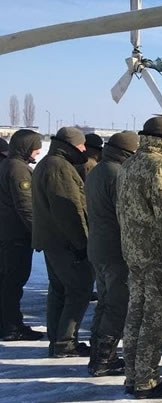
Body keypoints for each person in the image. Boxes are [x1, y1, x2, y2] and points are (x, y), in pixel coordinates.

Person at [117, 116, 162, 398]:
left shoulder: (128, 164)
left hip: (133, 252)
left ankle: (132, 376)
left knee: (135, 315)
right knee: (155, 320)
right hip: (158, 255)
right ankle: (146, 380)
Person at [32, 127, 94, 357]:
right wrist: (81, 243)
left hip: (52, 241)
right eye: (81, 146)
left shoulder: (48, 164)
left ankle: (57, 340)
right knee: (79, 290)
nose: (84, 150)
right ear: (70, 146)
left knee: (59, 291)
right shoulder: (59, 168)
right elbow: (68, 210)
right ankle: (65, 342)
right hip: (65, 243)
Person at [85, 131, 138, 376]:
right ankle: (104, 360)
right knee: (118, 304)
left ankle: (98, 353)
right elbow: (125, 215)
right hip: (115, 248)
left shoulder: (98, 170)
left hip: (98, 245)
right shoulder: (117, 174)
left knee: (105, 303)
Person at [0, 129, 44, 341]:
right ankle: (11, 326)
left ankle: (7, 323)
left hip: (8, 233)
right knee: (13, 282)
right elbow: (25, 205)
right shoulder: (18, 169)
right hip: (15, 236)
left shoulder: (8, 165)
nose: (37, 153)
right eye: (35, 148)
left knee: (7, 281)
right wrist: (38, 233)